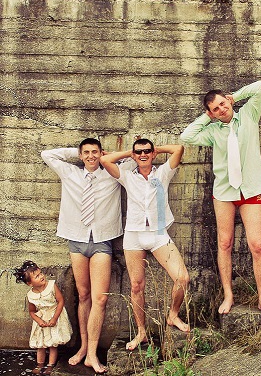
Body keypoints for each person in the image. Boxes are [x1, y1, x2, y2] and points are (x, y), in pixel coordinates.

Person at [180, 80, 261, 318]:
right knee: (224, 244)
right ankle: (228, 295)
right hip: (225, 193)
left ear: (228, 100)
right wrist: (207, 117)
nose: (221, 110)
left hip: (250, 189)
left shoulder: (248, 115)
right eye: (215, 109)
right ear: (212, 113)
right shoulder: (213, 131)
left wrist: (235, 96)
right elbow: (187, 136)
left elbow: (260, 87)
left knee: (257, 245)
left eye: (223, 104)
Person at [41, 138, 133, 373]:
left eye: (95, 152)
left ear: (101, 153)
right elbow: (47, 154)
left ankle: (92, 353)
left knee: (100, 299)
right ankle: (83, 347)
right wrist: (78, 152)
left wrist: (107, 156)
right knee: (83, 296)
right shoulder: (70, 172)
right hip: (76, 240)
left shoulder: (112, 173)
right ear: (81, 155)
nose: (91, 156)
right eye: (87, 153)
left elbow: (134, 159)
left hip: (102, 241)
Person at [100, 139, 190, 350]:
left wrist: (157, 149)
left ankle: (173, 315)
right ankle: (141, 332)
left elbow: (178, 149)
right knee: (136, 286)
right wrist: (129, 153)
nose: (143, 155)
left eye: (147, 151)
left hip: (158, 234)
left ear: (153, 154)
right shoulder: (128, 177)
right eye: (139, 152)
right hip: (134, 235)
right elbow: (105, 160)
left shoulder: (163, 173)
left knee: (182, 278)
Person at [14, 260, 72, 376]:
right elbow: (32, 311)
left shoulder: (51, 286)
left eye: (40, 273)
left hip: (54, 316)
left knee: (52, 344)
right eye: (37, 276)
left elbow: (60, 301)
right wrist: (39, 321)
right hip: (42, 320)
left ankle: (50, 365)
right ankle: (39, 364)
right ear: (30, 283)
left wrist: (54, 318)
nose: (41, 276)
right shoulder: (30, 295)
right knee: (40, 345)